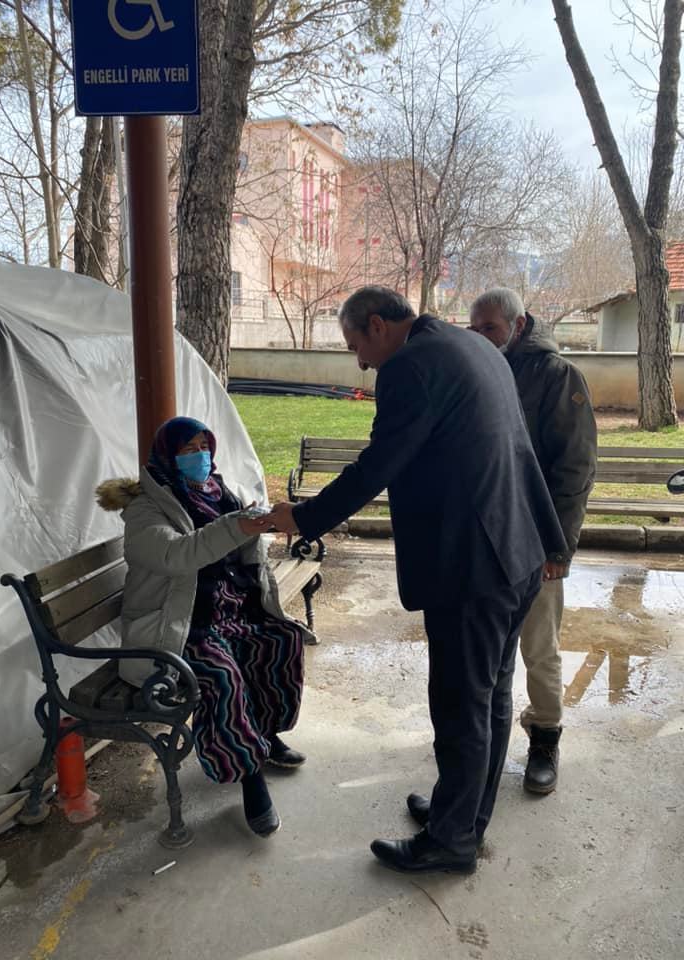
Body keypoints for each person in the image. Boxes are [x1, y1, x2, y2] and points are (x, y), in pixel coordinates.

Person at [265, 286, 568, 874]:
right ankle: (463, 816)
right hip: (520, 549)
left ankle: (451, 842)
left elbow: (378, 465)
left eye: (355, 345)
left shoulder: (410, 366)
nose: (360, 363)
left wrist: (302, 517)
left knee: (460, 707)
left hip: (474, 567)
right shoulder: (471, 346)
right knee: (490, 698)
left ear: (378, 325)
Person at [96, 416, 309, 838]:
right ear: (167, 457)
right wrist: (237, 525)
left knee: (280, 638)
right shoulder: (145, 509)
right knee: (221, 674)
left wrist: (255, 524)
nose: (200, 456)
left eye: (204, 446)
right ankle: (249, 774)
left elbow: (238, 548)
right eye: (188, 449)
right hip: (175, 626)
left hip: (224, 609)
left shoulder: (218, 491)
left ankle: (264, 734)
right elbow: (177, 555)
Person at [469, 288, 597, 794]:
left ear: (519, 325)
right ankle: (478, 741)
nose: (481, 338)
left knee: (539, 646)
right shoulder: (478, 370)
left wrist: (558, 548)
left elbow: (575, 468)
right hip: (484, 538)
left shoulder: (558, 377)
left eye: (491, 328)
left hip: (537, 539)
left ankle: (545, 736)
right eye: (474, 329)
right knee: (481, 647)